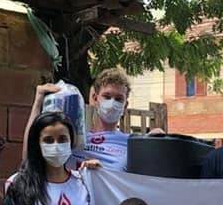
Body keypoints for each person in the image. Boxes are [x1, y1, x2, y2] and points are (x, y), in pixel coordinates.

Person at [21, 68, 164, 170]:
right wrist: (38, 102)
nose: (112, 103)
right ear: (95, 99)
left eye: (119, 99)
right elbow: (29, 158)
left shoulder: (134, 143)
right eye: (107, 97)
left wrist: (156, 143)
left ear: (125, 106)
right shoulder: (73, 138)